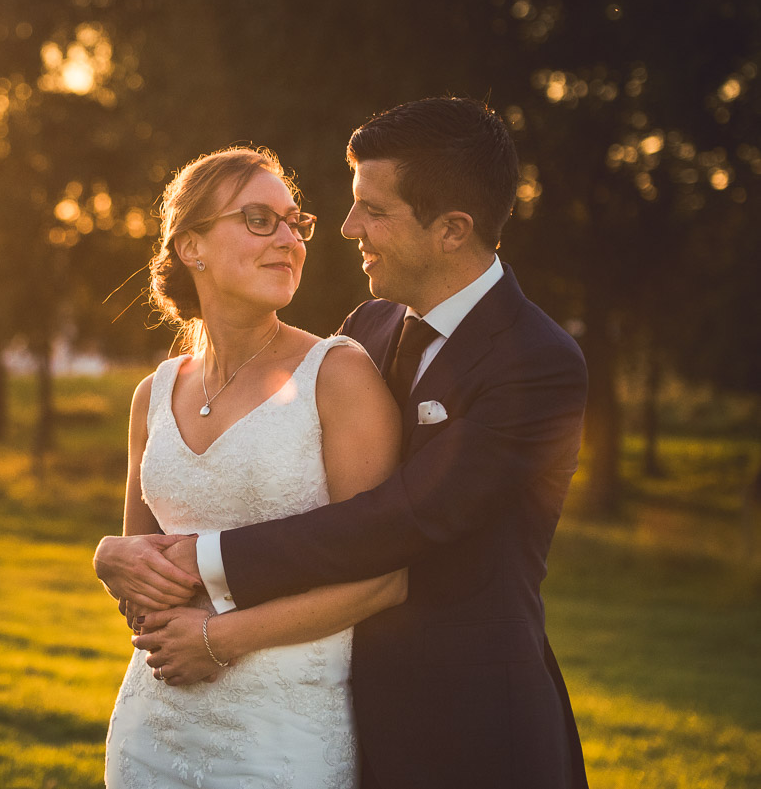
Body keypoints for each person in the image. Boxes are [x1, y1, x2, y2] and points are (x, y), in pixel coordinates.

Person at [96, 97, 590, 789]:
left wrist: (206, 575)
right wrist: (115, 554)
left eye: (374, 210)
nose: (347, 227)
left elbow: (406, 517)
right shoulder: (372, 325)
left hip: (468, 718)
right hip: (333, 694)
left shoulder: (537, 362)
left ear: (452, 230)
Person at [101, 145, 406, 788]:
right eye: (260, 220)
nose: (289, 240)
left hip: (282, 740)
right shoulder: (152, 395)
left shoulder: (338, 376)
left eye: (296, 222)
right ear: (192, 245)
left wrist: (219, 639)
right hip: (153, 730)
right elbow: (143, 572)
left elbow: (384, 579)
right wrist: (108, 559)